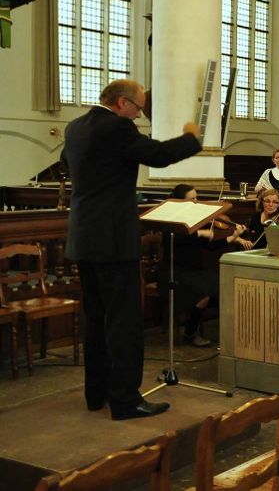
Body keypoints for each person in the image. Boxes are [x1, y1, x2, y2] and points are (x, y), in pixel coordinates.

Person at [60, 79, 202, 420]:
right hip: (113, 240)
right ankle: (125, 400)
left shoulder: (75, 127)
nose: (139, 115)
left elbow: (68, 166)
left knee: (94, 318)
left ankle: (97, 394)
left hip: (83, 237)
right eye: (139, 108)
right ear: (122, 103)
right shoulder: (116, 127)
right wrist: (191, 139)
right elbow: (159, 156)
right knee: (123, 322)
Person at [160, 184, 252, 349]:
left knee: (222, 287)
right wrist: (199, 233)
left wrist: (235, 235)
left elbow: (211, 245)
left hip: (195, 271)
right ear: (180, 202)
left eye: (197, 197)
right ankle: (190, 333)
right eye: (192, 199)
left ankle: (232, 336)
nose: (197, 202)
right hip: (176, 271)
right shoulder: (171, 221)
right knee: (203, 294)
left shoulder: (195, 220)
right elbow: (177, 239)